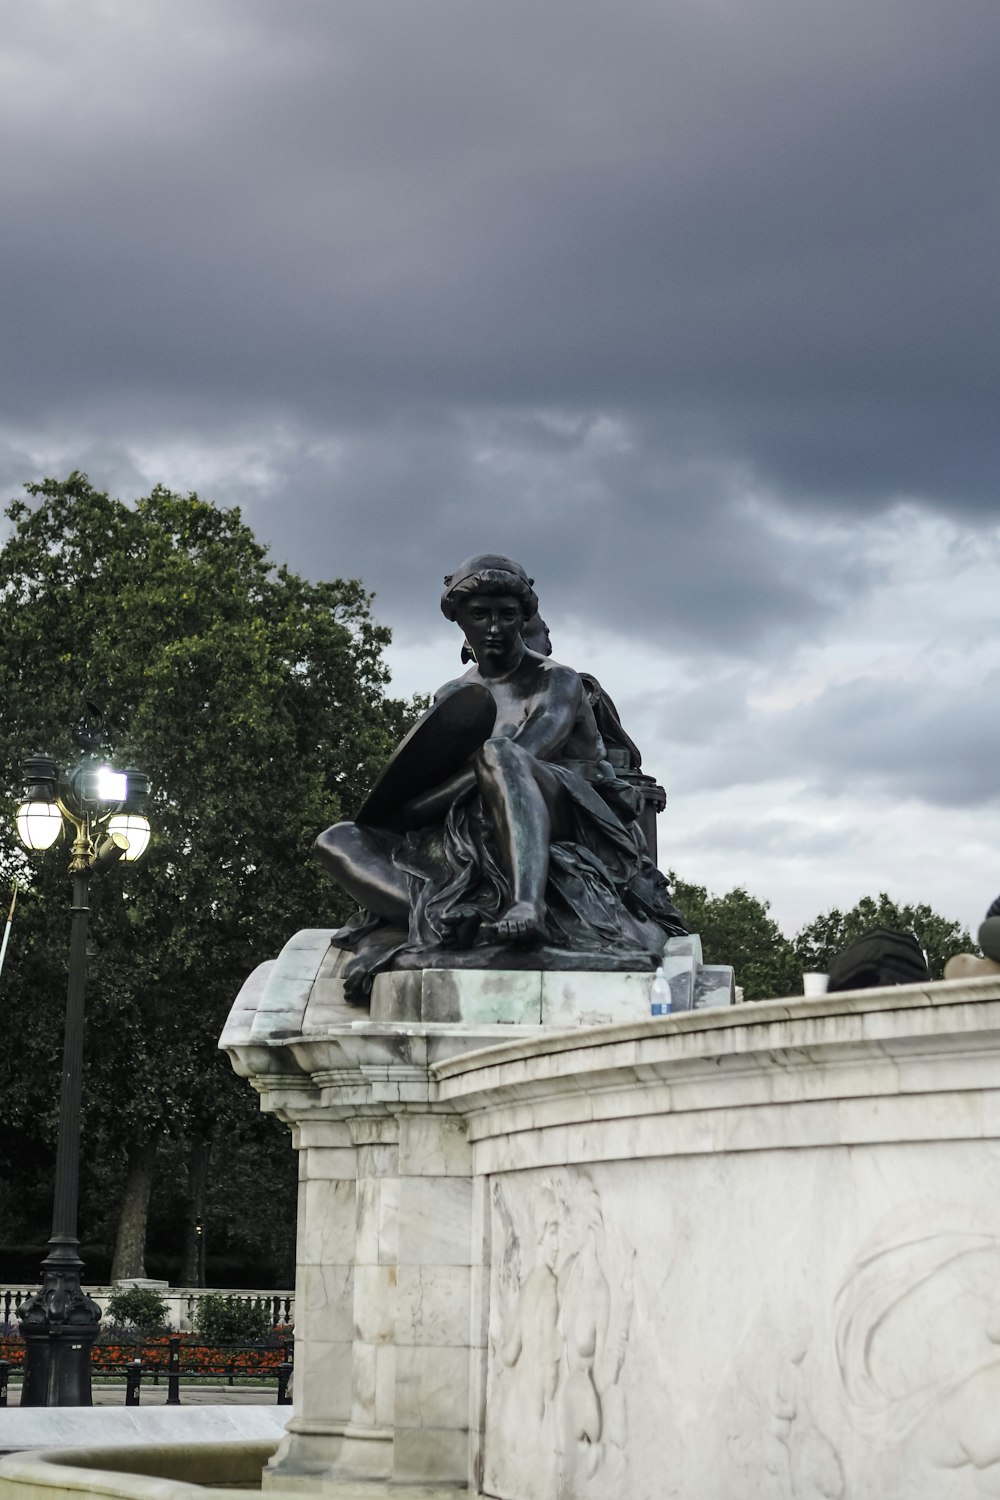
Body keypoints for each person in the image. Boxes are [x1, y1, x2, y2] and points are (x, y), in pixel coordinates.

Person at [315, 554, 685, 996]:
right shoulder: (452, 695)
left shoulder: (558, 681)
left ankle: (526, 906)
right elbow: (420, 791)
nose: (494, 627)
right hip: (471, 825)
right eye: (480, 615)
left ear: (523, 617)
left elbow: (526, 753)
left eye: (506, 615)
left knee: (499, 754)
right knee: (336, 840)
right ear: (460, 621)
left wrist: (426, 803)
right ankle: (451, 921)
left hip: (566, 814)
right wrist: (411, 811)